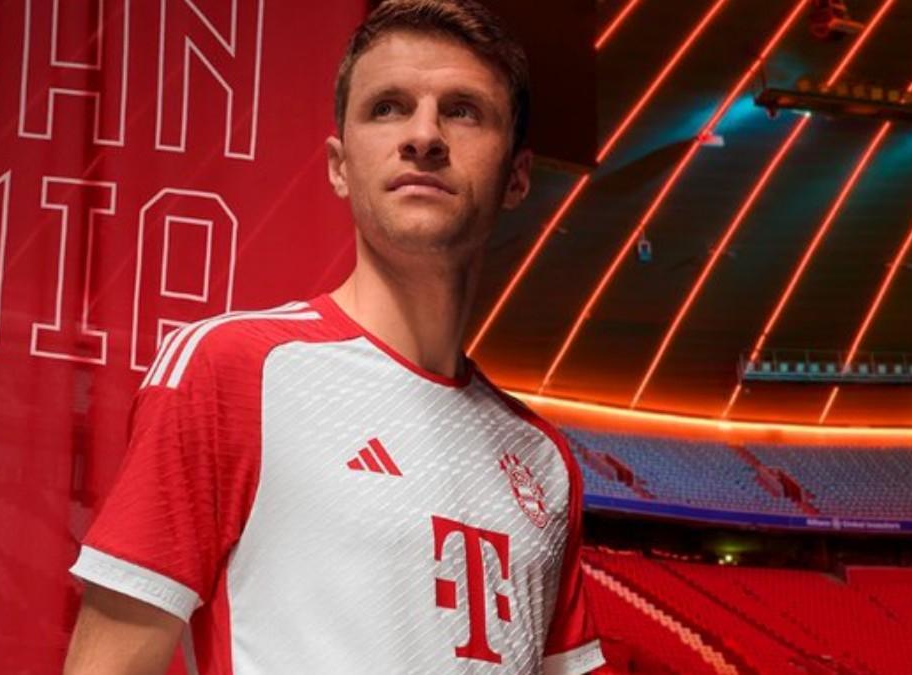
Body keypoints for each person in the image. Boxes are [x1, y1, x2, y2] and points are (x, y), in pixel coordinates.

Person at [62, 1, 605, 673]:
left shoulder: (543, 460)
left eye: (463, 111)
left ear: (517, 176)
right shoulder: (234, 370)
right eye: (388, 108)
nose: (424, 135)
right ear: (339, 166)